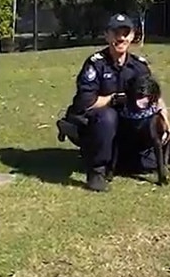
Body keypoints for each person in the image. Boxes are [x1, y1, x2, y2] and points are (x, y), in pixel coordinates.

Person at [56, 13, 168, 192]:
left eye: (125, 33)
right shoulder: (95, 64)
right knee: (108, 116)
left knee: (147, 164)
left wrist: (165, 121)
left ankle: (119, 161)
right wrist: (113, 99)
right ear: (107, 35)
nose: (121, 37)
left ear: (132, 36)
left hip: (127, 126)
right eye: (116, 32)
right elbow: (85, 104)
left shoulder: (139, 66)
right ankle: (97, 173)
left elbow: (155, 97)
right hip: (96, 125)